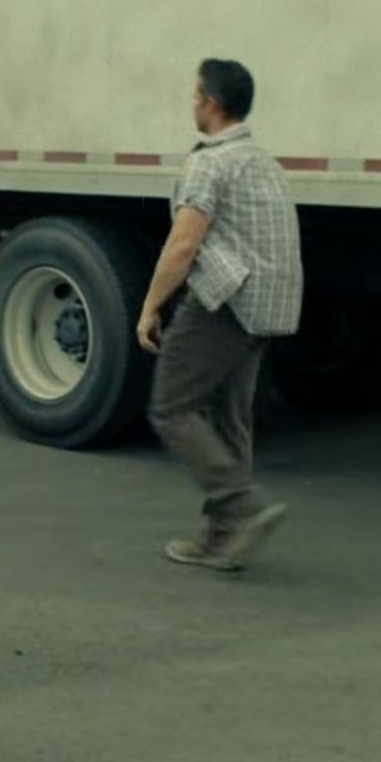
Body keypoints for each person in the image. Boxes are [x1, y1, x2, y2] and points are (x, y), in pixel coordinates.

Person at [137, 59, 304, 573]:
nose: (192, 103)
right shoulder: (260, 159)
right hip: (271, 303)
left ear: (210, 102)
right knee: (230, 415)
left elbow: (185, 242)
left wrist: (150, 307)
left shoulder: (211, 162)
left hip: (226, 298)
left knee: (171, 406)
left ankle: (241, 504)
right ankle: (225, 538)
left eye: (195, 95)